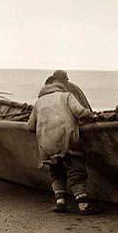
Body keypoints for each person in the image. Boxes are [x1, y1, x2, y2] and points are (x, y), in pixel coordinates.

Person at [26, 80, 97, 214]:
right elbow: (80, 112)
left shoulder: (38, 103)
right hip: (67, 139)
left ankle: (60, 203)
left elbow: (30, 126)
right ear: (60, 88)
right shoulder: (66, 97)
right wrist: (91, 115)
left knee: (56, 172)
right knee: (75, 171)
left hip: (46, 144)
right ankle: (83, 204)